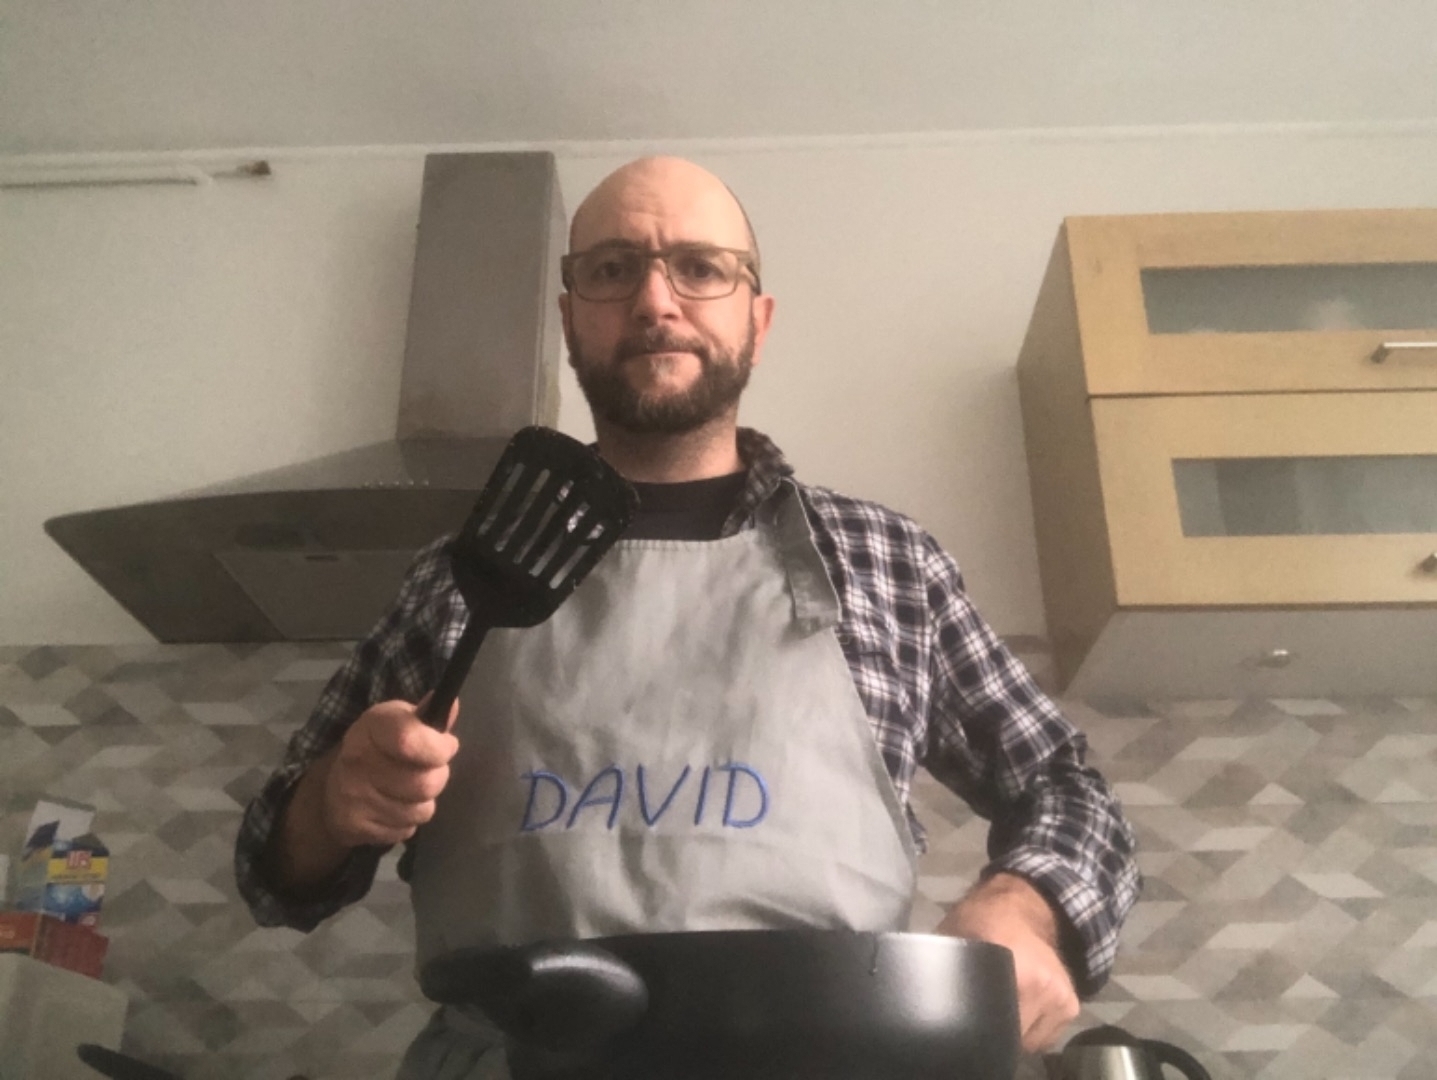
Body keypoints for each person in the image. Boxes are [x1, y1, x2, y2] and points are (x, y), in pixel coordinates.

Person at [235, 155, 1140, 1077]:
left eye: (701, 268)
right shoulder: (458, 575)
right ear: (569, 318)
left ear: (758, 319)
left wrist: (1027, 908)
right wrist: (334, 802)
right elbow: (273, 871)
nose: (654, 301)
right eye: (612, 268)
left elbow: (1063, 786)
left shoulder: (887, 562)